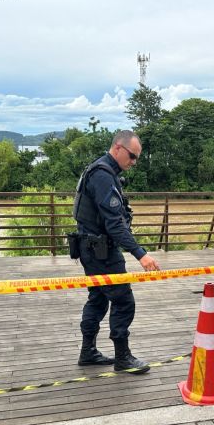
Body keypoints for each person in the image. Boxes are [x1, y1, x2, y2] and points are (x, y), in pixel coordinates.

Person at [72, 130, 160, 374]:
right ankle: (123, 358)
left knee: (98, 298)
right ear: (118, 148)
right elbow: (114, 225)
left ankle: (88, 352)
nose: (134, 162)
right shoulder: (103, 175)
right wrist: (141, 254)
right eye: (132, 156)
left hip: (90, 248)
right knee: (123, 301)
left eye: (137, 158)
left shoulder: (100, 170)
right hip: (102, 252)